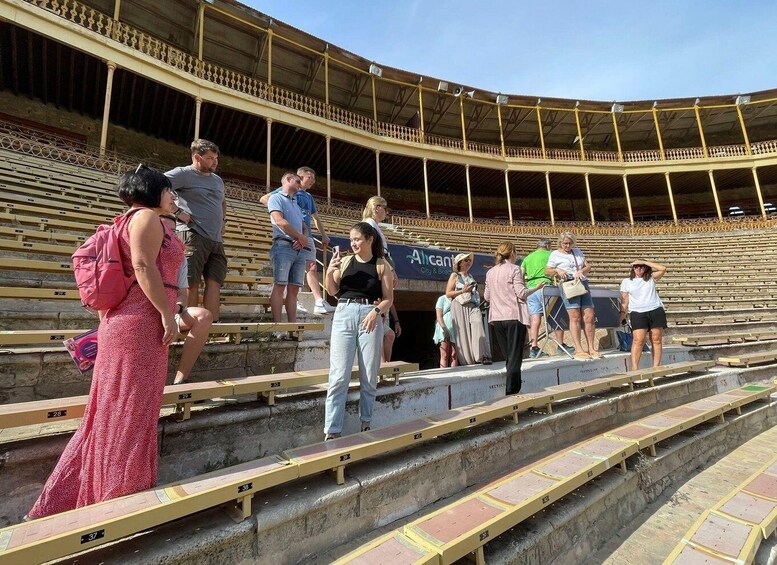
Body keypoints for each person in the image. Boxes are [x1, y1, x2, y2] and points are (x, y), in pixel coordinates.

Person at [27, 167, 183, 519]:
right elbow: (143, 266)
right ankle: (119, 496)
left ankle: (107, 494)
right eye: (169, 191)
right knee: (128, 411)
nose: (174, 198)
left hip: (133, 322)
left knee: (124, 410)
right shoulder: (146, 217)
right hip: (140, 321)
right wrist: (166, 314)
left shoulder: (136, 220)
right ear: (153, 190)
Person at [323, 221, 394, 440]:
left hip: (369, 315)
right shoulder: (344, 262)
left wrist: (376, 311)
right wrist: (329, 272)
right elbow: (333, 291)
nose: (353, 243)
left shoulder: (382, 265)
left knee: (369, 373)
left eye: (357, 239)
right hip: (343, 312)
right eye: (351, 239)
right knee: (338, 375)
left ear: (370, 239)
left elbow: (389, 299)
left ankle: (366, 422)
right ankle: (332, 430)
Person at [165, 139, 227, 322]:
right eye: (210, 158)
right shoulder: (183, 174)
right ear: (197, 157)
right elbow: (154, 185)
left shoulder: (217, 180)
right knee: (191, 282)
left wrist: (224, 220)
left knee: (215, 282)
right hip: (193, 234)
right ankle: (189, 324)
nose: (215, 162)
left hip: (216, 239)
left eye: (216, 158)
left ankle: (211, 326)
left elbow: (223, 201)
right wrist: (176, 211)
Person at [259, 166, 335, 315]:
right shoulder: (288, 193)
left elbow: (316, 218)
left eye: (314, 179)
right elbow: (264, 199)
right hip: (292, 236)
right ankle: (295, 301)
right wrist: (280, 211)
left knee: (312, 267)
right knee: (290, 273)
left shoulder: (309, 197)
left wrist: (324, 235)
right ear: (299, 177)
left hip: (307, 236)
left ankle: (319, 301)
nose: (312, 181)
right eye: (309, 178)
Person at [159, 214, 214, 384]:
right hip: (146, 311)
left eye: (174, 231)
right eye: (165, 230)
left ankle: (180, 380)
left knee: (204, 316)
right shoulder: (144, 252)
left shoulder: (179, 257)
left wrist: (178, 307)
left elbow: (182, 293)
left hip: (171, 311)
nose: (170, 235)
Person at [485, 242, 545, 394]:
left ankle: (512, 390)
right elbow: (521, 293)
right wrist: (537, 288)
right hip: (513, 316)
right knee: (514, 356)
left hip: (497, 318)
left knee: (509, 357)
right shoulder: (515, 269)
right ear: (512, 253)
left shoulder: (490, 272)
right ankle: (512, 391)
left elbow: (486, 296)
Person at [545, 232, 600, 360]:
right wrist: (558, 270)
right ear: (560, 242)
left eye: (570, 243)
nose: (567, 245)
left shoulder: (577, 251)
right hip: (568, 284)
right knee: (574, 316)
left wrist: (581, 271)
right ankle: (579, 349)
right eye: (565, 243)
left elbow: (588, 266)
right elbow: (547, 270)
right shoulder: (555, 254)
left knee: (589, 315)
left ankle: (591, 347)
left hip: (582, 282)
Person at [267, 172, 309, 324]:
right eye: (298, 180)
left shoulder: (296, 204)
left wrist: (303, 238)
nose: (300, 183)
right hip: (283, 245)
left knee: (294, 289)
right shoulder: (276, 198)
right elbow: (279, 221)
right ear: (289, 180)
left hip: (298, 247)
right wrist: (300, 236)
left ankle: (292, 325)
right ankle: (277, 325)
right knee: (280, 285)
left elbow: (304, 226)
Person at [521, 238, 574, 358]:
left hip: (531, 289)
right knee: (556, 314)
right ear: (548, 246)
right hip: (546, 287)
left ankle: (534, 347)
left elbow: (521, 273)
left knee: (535, 318)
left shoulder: (527, 257)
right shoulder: (551, 254)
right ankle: (560, 344)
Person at [362, 196, 402, 355]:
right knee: (382, 300)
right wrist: (390, 270)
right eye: (385, 208)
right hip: (380, 264)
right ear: (377, 207)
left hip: (382, 262)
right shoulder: (370, 224)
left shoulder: (373, 225)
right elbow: (377, 250)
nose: (386, 212)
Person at [620, 260, 668, 371]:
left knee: (656, 339)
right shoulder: (627, 281)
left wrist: (644, 261)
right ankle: (635, 367)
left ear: (645, 267)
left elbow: (663, 269)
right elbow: (625, 299)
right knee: (638, 340)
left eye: (641, 266)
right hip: (637, 312)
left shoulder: (651, 278)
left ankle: (656, 366)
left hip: (655, 310)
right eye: (636, 266)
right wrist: (622, 313)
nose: (638, 269)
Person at [446, 252, 491, 365]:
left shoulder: (471, 276)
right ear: (459, 263)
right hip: (459, 305)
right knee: (463, 333)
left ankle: (483, 355)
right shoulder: (455, 276)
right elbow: (448, 293)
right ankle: (468, 361)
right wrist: (462, 291)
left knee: (478, 323)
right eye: (466, 260)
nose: (468, 262)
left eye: (469, 260)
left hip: (473, 305)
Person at [433, 294, 457, 368]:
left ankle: (455, 374)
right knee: (445, 354)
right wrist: (445, 329)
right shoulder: (442, 299)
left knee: (454, 354)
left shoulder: (457, 299)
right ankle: (444, 374)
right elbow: (439, 316)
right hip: (444, 327)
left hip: (456, 328)